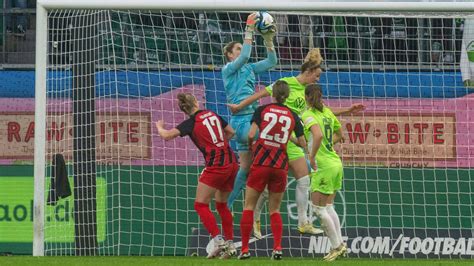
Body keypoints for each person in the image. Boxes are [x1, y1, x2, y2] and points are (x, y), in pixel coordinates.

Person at [228, 48, 364, 235]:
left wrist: (348, 110)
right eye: (316, 76)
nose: (317, 80)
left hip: (294, 140)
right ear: (308, 72)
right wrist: (239, 106)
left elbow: (323, 110)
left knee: (297, 180)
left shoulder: (308, 92)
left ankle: (299, 222)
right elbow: (259, 95)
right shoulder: (285, 84)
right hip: (279, 141)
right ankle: (263, 219)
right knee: (281, 184)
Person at [156, 93, 239, 259]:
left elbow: (166, 136)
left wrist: (159, 126)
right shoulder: (212, 114)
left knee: (200, 205)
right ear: (196, 102)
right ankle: (230, 245)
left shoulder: (191, 123)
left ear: (183, 109)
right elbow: (230, 132)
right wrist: (218, 146)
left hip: (216, 165)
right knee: (222, 206)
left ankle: (218, 240)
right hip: (232, 162)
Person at [238, 80, 306, 260]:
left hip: (261, 162)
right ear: (288, 96)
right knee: (275, 210)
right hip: (280, 165)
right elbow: (302, 143)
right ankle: (277, 248)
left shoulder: (261, 110)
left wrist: (253, 147)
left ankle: (244, 250)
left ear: (273, 94)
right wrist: (287, 139)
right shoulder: (293, 115)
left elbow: (251, 134)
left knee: (249, 206)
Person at [222, 12, 277, 221]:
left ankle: (226, 205)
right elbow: (245, 55)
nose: (241, 50)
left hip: (247, 121)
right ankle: (267, 184)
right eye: (237, 48)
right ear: (229, 55)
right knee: (274, 141)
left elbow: (272, 61)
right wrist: (249, 29)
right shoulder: (227, 70)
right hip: (243, 121)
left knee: (244, 168)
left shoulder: (250, 68)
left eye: (240, 46)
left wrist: (268, 40)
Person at [302, 84, 348, 261]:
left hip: (323, 166)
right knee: (328, 207)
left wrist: (312, 156)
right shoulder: (327, 112)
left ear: (306, 97)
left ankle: (337, 246)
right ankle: (340, 244)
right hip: (335, 163)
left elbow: (318, 135)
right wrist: (327, 146)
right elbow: (339, 135)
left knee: (318, 209)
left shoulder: (308, 115)